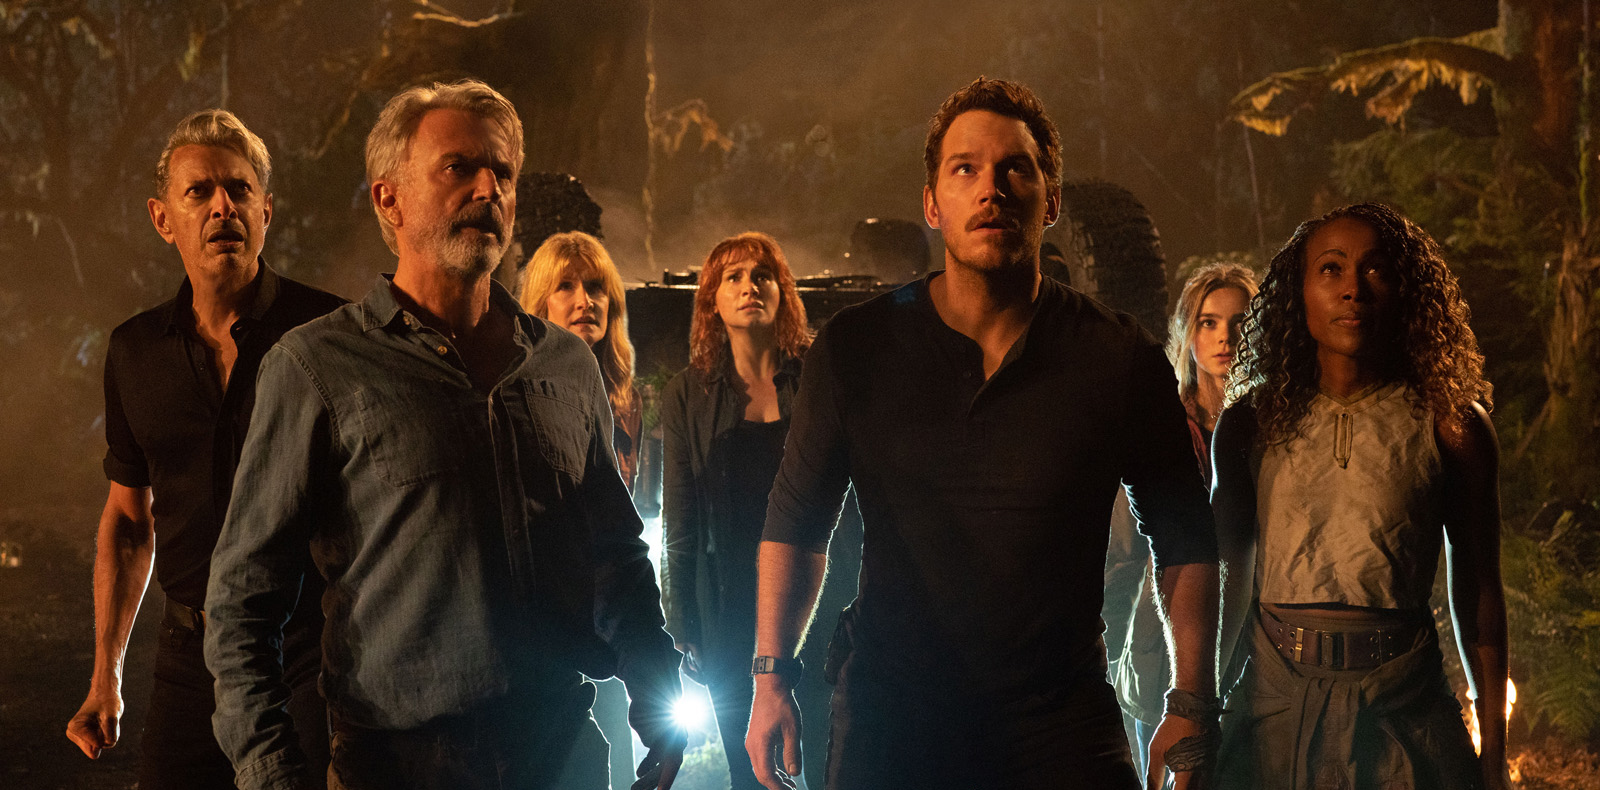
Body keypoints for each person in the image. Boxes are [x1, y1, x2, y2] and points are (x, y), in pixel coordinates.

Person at [202, 79, 685, 790]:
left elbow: (613, 552)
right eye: (459, 167)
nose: (488, 189)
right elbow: (244, 601)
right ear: (388, 199)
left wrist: (657, 694)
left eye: (503, 173)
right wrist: (270, 772)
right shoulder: (317, 367)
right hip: (398, 766)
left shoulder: (563, 364)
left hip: (563, 753)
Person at [745, 77, 1221, 790]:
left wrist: (1190, 702)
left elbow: (1184, 538)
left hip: (1061, 725)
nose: (990, 189)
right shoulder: (857, 349)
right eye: (965, 169)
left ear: (1051, 201)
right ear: (932, 204)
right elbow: (796, 522)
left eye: (1015, 169)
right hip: (893, 719)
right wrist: (769, 679)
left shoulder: (1116, 356)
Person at [63, 109, 342, 790]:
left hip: (309, 653)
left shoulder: (329, 333)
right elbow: (130, 522)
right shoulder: (135, 352)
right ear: (163, 219)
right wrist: (106, 677)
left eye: (240, 189)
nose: (223, 206)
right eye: (200, 192)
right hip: (192, 656)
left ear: (266, 210)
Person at [1211, 203, 1509, 790]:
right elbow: (1224, 577)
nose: (1353, 289)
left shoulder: (1450, 425)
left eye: (1375, 269)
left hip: (1403, 703)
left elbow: (1478, 584)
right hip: (1274, 704)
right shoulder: (1251, 422)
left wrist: (1495, 746)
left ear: (1404, 290)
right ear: (1298, 291)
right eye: (1331, 268)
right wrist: (1197, 713)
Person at [660, 232, 812, 790]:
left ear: (782, 292)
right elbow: (680, 520)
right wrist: (682, 623)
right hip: (728, 611)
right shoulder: (688, 394)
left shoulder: (814, 379)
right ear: (712, 300)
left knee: (832, 763)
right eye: (734, 277)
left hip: (808, 603)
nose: (750, 286)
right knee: (756, 777)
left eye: (762, 275)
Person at [1108, 262, 1256, 772]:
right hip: (1166, 640)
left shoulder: (1275, 428)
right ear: (1189, 333)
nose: (1225, 337)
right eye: (1208, 322)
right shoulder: (1163, 426)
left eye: (1240, 321)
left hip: (1257, 641)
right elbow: (1125, 549)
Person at [521, 231, 643, 490]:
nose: (585, 301)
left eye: (595, 287)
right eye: (566, 286)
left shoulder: (625, 399)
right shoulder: (521, 393)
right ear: (542, 303)